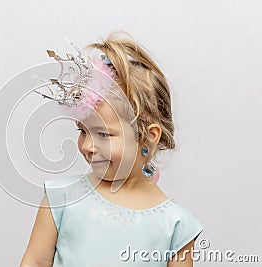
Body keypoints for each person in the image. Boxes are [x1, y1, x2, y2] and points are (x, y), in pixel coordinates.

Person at [20, 31, 203, 266]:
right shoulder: (61, 198)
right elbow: (34, 261)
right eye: (82, 131)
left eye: (103, 134)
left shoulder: (176, 226)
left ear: (148, 137)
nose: (86, 146)